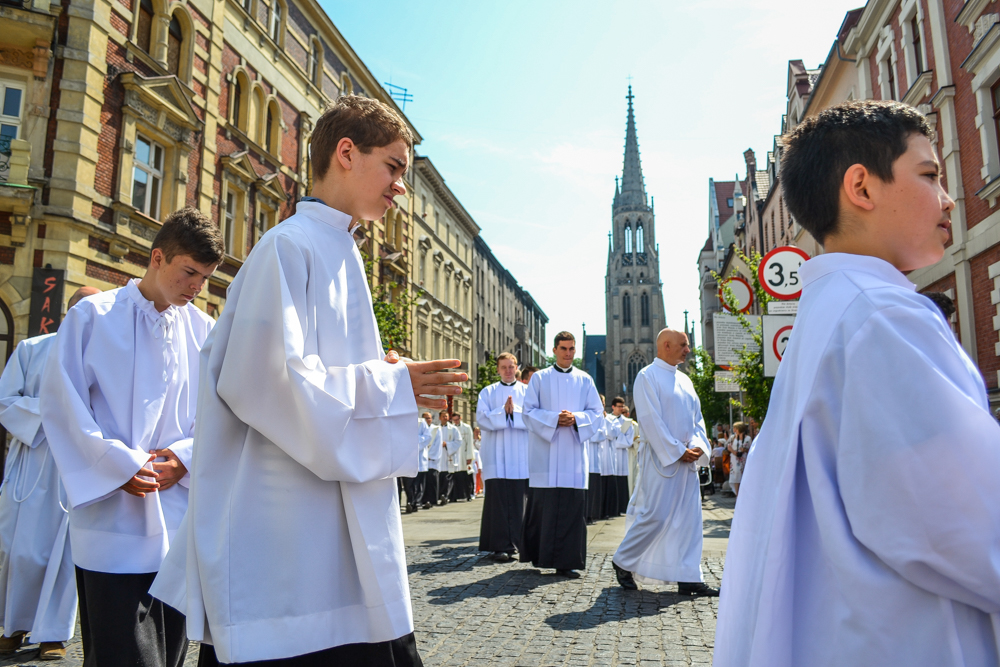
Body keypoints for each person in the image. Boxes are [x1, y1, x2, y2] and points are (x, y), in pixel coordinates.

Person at [149, 95, 467, 666]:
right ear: (346, 153)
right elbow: (268, 382)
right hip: (288, 546)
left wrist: (386, 375)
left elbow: (317, 373)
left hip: (329, 532)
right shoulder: (288, 248)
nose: (402, 187)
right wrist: (390, 387)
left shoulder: (340, 249)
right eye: (394, 167)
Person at [715, 100, 1000, 666]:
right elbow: (965, 522)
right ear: (862, 188)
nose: (947, 198)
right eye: (929, 174)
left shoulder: (830, 315)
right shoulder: (884, 316)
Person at [41, 209, 223, 667]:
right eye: (189, 273)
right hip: (112, 518)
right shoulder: (94, 316)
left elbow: (220, 414)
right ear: (157, 258)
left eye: (204, 277)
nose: (196, 287)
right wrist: (118, 466)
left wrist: (183, 457)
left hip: (178, 519)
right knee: (122, 654)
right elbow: (63, 402)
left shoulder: (203, 330)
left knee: (171, 652)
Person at [0, 286, 99, 660]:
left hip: (74, 469)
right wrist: (53, 413)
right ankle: (14, 626)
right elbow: (6, 400)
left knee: (65, 555)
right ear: (68, 312)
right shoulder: (32, 349)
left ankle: (53, 634)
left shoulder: (104, 356)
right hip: (32, 463)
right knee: (19, 550)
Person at [612, 329, 717, 597]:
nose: (688, 349)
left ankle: (689, 576)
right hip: (662, 460)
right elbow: (650, 419)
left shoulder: (685, 380)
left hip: (687, 460)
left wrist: (696, 446)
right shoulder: (647, 376)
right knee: (655, 516)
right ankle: (623, 560)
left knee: (689, 520)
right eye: (683, 345)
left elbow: (697, 419)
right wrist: (675, 450)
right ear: (666, 345)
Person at [521, 332, 603, 578]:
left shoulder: (585, 380)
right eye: (564, 348)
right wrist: (555, 419)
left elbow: (597, 414)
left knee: (570, 510)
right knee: (544, 508)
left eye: (572, 349)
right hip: (545, 457)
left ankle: (567, 562)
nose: (568, 353)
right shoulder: (540, 379)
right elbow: (528, 412)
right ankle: (540, 556)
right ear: (554, 350)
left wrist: (576, 418)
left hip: (573, 458)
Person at [476, 352, 529, 562]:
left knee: (518, 502)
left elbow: (533, 418)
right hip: (496, 456)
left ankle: (518, 544)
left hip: (520, 455)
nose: (508, 371)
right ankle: (498, 546)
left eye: (511, 367)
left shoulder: (527, 391)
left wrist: (513, 411)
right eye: (504, 367)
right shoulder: (487, 392)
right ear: (498, 369)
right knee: (497, 501)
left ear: (517, 368)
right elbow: (482, 418)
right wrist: (503, 412)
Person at [585, 395, 607, 525]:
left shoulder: (601, 417)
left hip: (595, 458)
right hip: (586, 456)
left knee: (593, 490)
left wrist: (590, 433)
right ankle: (585, 514)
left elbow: (603, 434)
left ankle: (592, 515)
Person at [612, 404, 635, 514]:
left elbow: (629, 441)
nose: (621, 409)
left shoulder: (627, 422)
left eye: (623, 407)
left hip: (622, 455)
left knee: (621, 482)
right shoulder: (607, 420)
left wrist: (614, 441)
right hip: (609, 456)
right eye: (619, 406)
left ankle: (621, 507)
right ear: (613, 407)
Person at [434, 410, 458, 505]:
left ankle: (446, 495)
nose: (445, 418)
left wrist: (447, 444)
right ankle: (438, 495)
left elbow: (458, 441)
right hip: (438, 456)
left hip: (448, 455)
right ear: (439, 417)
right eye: (443, 416)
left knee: (447, 477)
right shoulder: (436, 429)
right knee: (439, 477)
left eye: (447, 416)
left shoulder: (453, 429)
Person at [450, 412, 474, 502]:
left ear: (460, 418)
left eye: (457, 419)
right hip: (454, 455)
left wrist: (469, 456)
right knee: (455, 476)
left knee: (466, 477)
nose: (455, 422)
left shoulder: (466, 428)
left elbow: (470, 443)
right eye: (454, 420)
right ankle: (454, 496)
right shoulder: (451, 428)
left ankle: (468, 495)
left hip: (464, 455)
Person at [415, 412, 434, 510]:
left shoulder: (421, 422)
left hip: (420, 456)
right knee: (409, 484)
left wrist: (415, 443)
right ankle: (411, 501)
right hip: (407, 458)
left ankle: (417, 502)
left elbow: (428, 437)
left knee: (419, 483)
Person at [726, 422, 749, 497]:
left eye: (735, 428)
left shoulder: (748, 438)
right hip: (734, 460)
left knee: (743, 477)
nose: (734, 429)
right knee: (736, 477)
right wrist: (733, 451)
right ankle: (737, 496)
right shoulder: (733, 437)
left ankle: (744, 496)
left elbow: (751, 449)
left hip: (744, 459)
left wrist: (744, 450)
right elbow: (728, 447)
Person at [472, 427, 483, 497]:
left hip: (480, 456)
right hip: (474, 457)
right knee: (476, 473)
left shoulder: (481, 440)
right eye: (476, 431)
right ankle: (477, 488)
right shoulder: (472, 439)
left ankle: (480, 487)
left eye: (478, 431)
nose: (477, 433)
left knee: (480, 473)